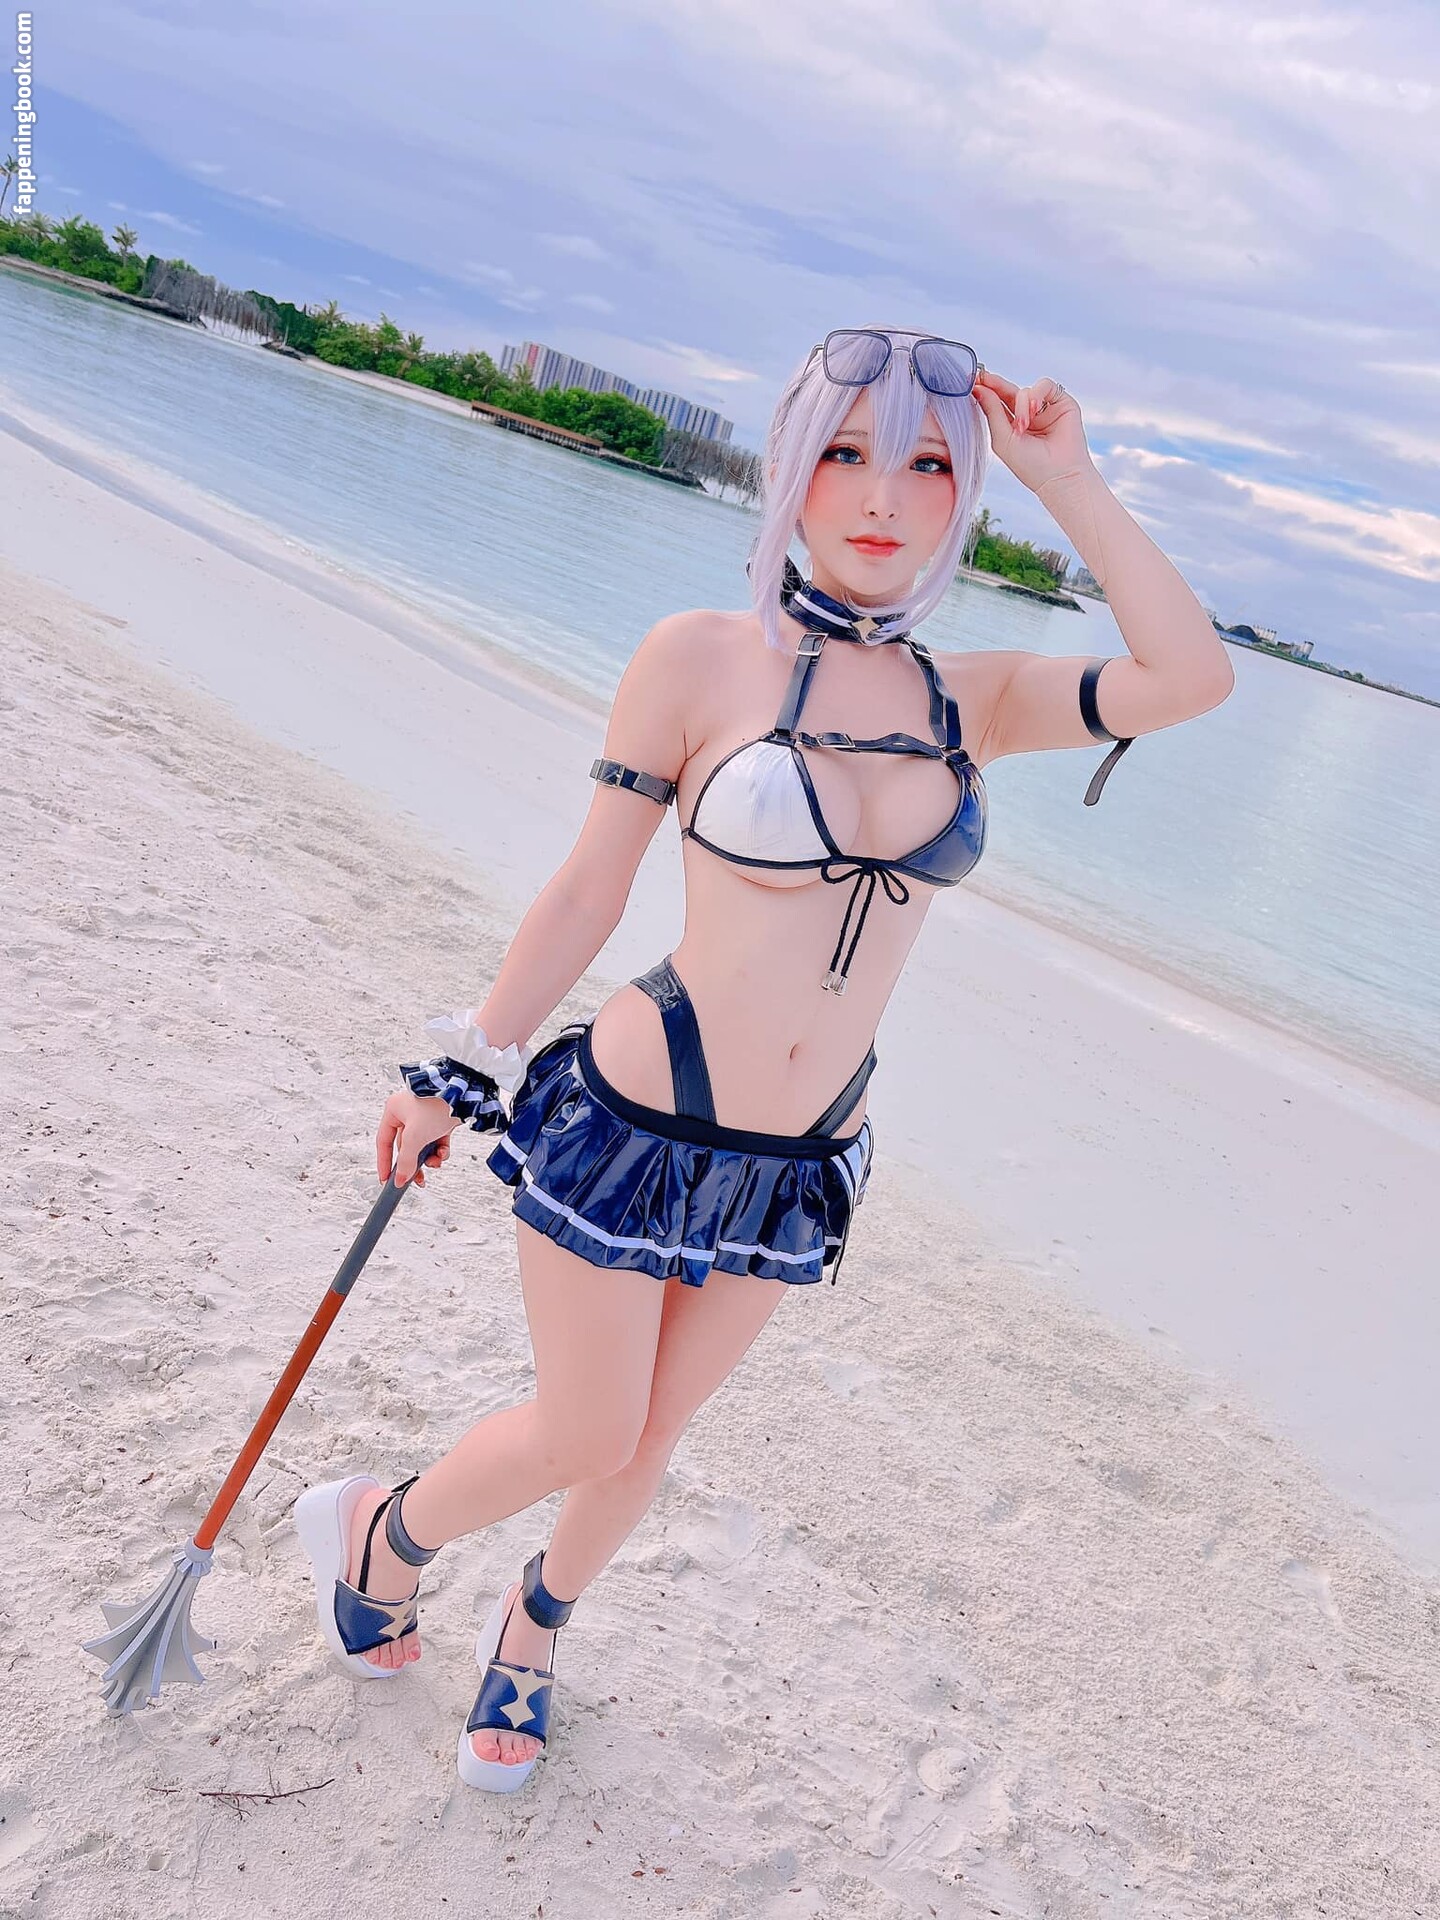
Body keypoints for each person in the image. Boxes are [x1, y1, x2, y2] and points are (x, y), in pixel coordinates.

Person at [293, 326, 1235, 1793]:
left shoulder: (972, 699)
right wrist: (460, 1059)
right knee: (588, 1428)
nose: (884, 495)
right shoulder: (700, 656)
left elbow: (1192, 676)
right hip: (634, 1118)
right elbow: (591, 887)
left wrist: (1071, 480)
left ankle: (534, 1627)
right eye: (845, 453)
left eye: (930, 466)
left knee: (650, 1438)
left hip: (802, 1156)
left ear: (967, 493)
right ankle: (380, 1532)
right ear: (792, 468)